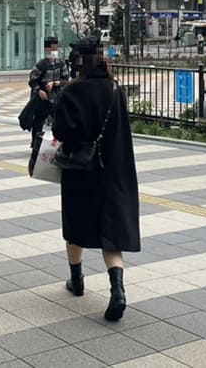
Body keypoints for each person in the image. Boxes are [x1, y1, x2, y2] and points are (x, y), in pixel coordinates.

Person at [49, 38, 140, 322]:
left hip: (80, 170)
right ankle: (118, 289)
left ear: (77, 62)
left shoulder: (72, 91)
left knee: (75, 224)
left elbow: (62, 132)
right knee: (110, 233)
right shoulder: (115, 90)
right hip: (113, 169)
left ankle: (76, 280)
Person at [28, 37, 70, 161]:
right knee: (39, 121)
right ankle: (35, 143)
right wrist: (39, 90)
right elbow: (32, 80)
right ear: (46, 49)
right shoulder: (41, 65)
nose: (54, 51)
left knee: (59, 119)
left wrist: (56, 83)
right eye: (52, 48)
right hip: (43, 98)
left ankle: (57, 143)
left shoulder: (61, 63)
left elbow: (65, 80)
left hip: (56, 97)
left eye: (56, 48)